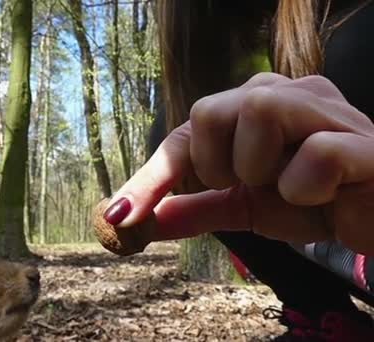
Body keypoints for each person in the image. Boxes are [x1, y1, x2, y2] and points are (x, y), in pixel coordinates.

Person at [103, 0, 374, 341]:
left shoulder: (356, 29)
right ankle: (322, 317)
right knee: (183, 130)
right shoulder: (189, 110)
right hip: (327, 277)